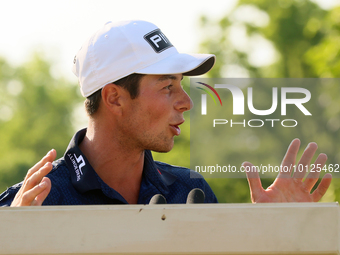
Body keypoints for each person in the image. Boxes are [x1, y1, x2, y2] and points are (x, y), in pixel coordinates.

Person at [0, 20, 332, 207]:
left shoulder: (191, 192)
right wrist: (15, 241)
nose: (186, 102)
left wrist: (270, 235)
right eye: (167, 86)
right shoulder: (30, 203)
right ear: (114, 98)